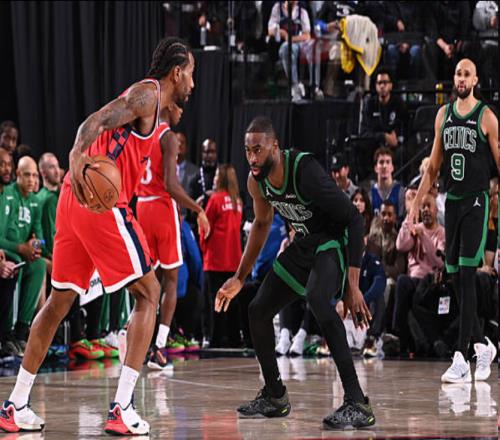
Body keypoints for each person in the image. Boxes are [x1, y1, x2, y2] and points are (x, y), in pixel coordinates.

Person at [0, 37, 195, 436]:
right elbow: (96, 120)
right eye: (191, 74)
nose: (193, 83)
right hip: (100, 202)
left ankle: (15, 404)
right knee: (149, 293)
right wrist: (76, 154)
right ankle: (122, 406)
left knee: (58, 302)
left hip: (74, 201)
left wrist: (78, 165)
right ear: (176, 72)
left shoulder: (155, 109)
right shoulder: (147, 94)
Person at [215, 116, 375, 430]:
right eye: (248, 151)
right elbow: (261, 224)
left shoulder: (304, 171)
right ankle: (275, 396)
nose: (252, 158)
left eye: (258, 150)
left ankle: (357, 402)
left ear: (275, 147)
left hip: (334, 240)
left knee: (317, 298)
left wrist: (353, 286)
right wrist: (239, 277)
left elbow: (354, 220)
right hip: (305, 244)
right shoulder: (256, 182)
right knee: (258, 310)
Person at [408, 59, 498, 383]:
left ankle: (462, 357)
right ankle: (482, 344)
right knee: (455, 275)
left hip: (477, 201)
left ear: (475, 80)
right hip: (454, 201)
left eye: (466, 74)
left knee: (468, 273)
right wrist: (416, 202)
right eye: (458, 73)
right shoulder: (443, 115)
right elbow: (433, 166)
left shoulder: (486, 116)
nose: (461, 78)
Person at [136, 103, 210, 370]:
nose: (182, 111)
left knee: (150, 280)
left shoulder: (142, 135)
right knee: (171, 280)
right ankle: (159, 347)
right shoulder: (167, 136)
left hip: (141, 207)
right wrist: (198, 209)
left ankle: (137, 338)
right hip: (161, 208)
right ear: (168, 106)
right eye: (180, 105)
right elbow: (170, 184)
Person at [200, 164, 242, 348]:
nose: (215, 178)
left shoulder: (216, 200)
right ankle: (234, 338)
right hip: (234, 260)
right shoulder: (238, 202)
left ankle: (215, 339)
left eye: (217, 175)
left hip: (216, 259)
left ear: (223, 178)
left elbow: (205, 227)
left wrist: (204, 248)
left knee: (214, 300)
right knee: (232, 301)